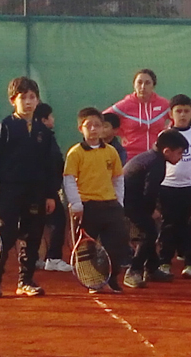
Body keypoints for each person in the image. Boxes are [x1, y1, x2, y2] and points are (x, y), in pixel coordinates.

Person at [0, 77, 62, 298]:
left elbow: (48, 166)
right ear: (13, 100)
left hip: (36, 193)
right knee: (6, 236)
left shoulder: (42, 132)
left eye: (32, 97)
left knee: (33, 236)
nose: (28, 102)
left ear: (37, 101)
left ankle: (25, 281)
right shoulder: (5, 126)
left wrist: (50, 194)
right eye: (23, 97)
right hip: (9, 190)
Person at [63, 107, 129, 293]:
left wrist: (119, 202)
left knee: (117, 244)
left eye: (97, 125)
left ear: (103, 128)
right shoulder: (75, 153)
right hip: (87, 207)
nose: (93, 129)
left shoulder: (111, 152)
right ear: (80, 129)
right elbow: (69, 180)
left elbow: (118, 178)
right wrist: (76, 204)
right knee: (88, 249)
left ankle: (112, 278)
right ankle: (95, 281)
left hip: (110, 206)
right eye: (89, 125)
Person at [121, 129, 188, 288]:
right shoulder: (156, 163)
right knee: (149, 233)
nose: (180, 157)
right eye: (179, 153)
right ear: (167, 151)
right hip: (131, 202)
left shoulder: (151, 157)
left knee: (151, 231)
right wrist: (152, 210)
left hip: (132, 200)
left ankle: (151, 268)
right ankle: (134, 271)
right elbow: (150, 191)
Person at [158, 94, 191, 279]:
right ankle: (164, 262)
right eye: (178, 111)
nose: (182, 115)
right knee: (168, 226)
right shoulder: (163, 136)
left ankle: (190, 263)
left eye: (186, 111)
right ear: (171, 113)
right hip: (168, 188)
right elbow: (158, 162)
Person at [34, 102, 72, 272]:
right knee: (57, 221)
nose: (53, 119)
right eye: (51, 117)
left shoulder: (37, 136)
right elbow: (52, 164)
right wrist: (51, 191)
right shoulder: (46, 138)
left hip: (39, 189)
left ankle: (33, 258)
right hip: (45, 190)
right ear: (44, 119)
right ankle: (54, 258)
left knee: (36, 223)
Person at [104, 69, 170, 163]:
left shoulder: (163, 104)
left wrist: (168, 130)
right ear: (134, 84)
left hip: (156, 156)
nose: (143, 87)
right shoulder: (124, 105)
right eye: (139, 82)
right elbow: (101, 121)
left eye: (147, 83)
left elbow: (177, 118)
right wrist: (118, 132)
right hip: (130, 158)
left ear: (153, 85)